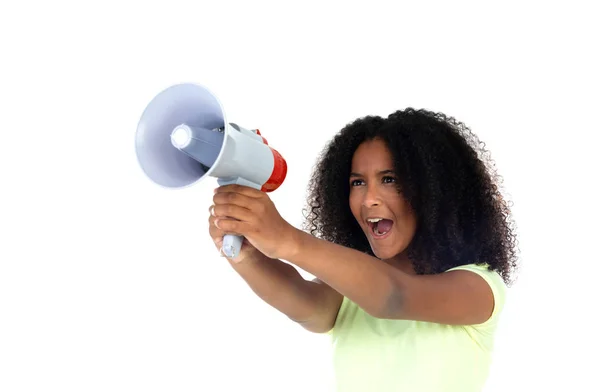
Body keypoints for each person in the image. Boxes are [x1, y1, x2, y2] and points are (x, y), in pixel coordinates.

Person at [207, 108, 519, 392]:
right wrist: (245, 252)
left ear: (435, 189)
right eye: (357, 183)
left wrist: (287, 239)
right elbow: (306, 305)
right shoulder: (351, 291)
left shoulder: (479, 287)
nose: (369, 198)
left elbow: (395, 297)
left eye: (389, 179)